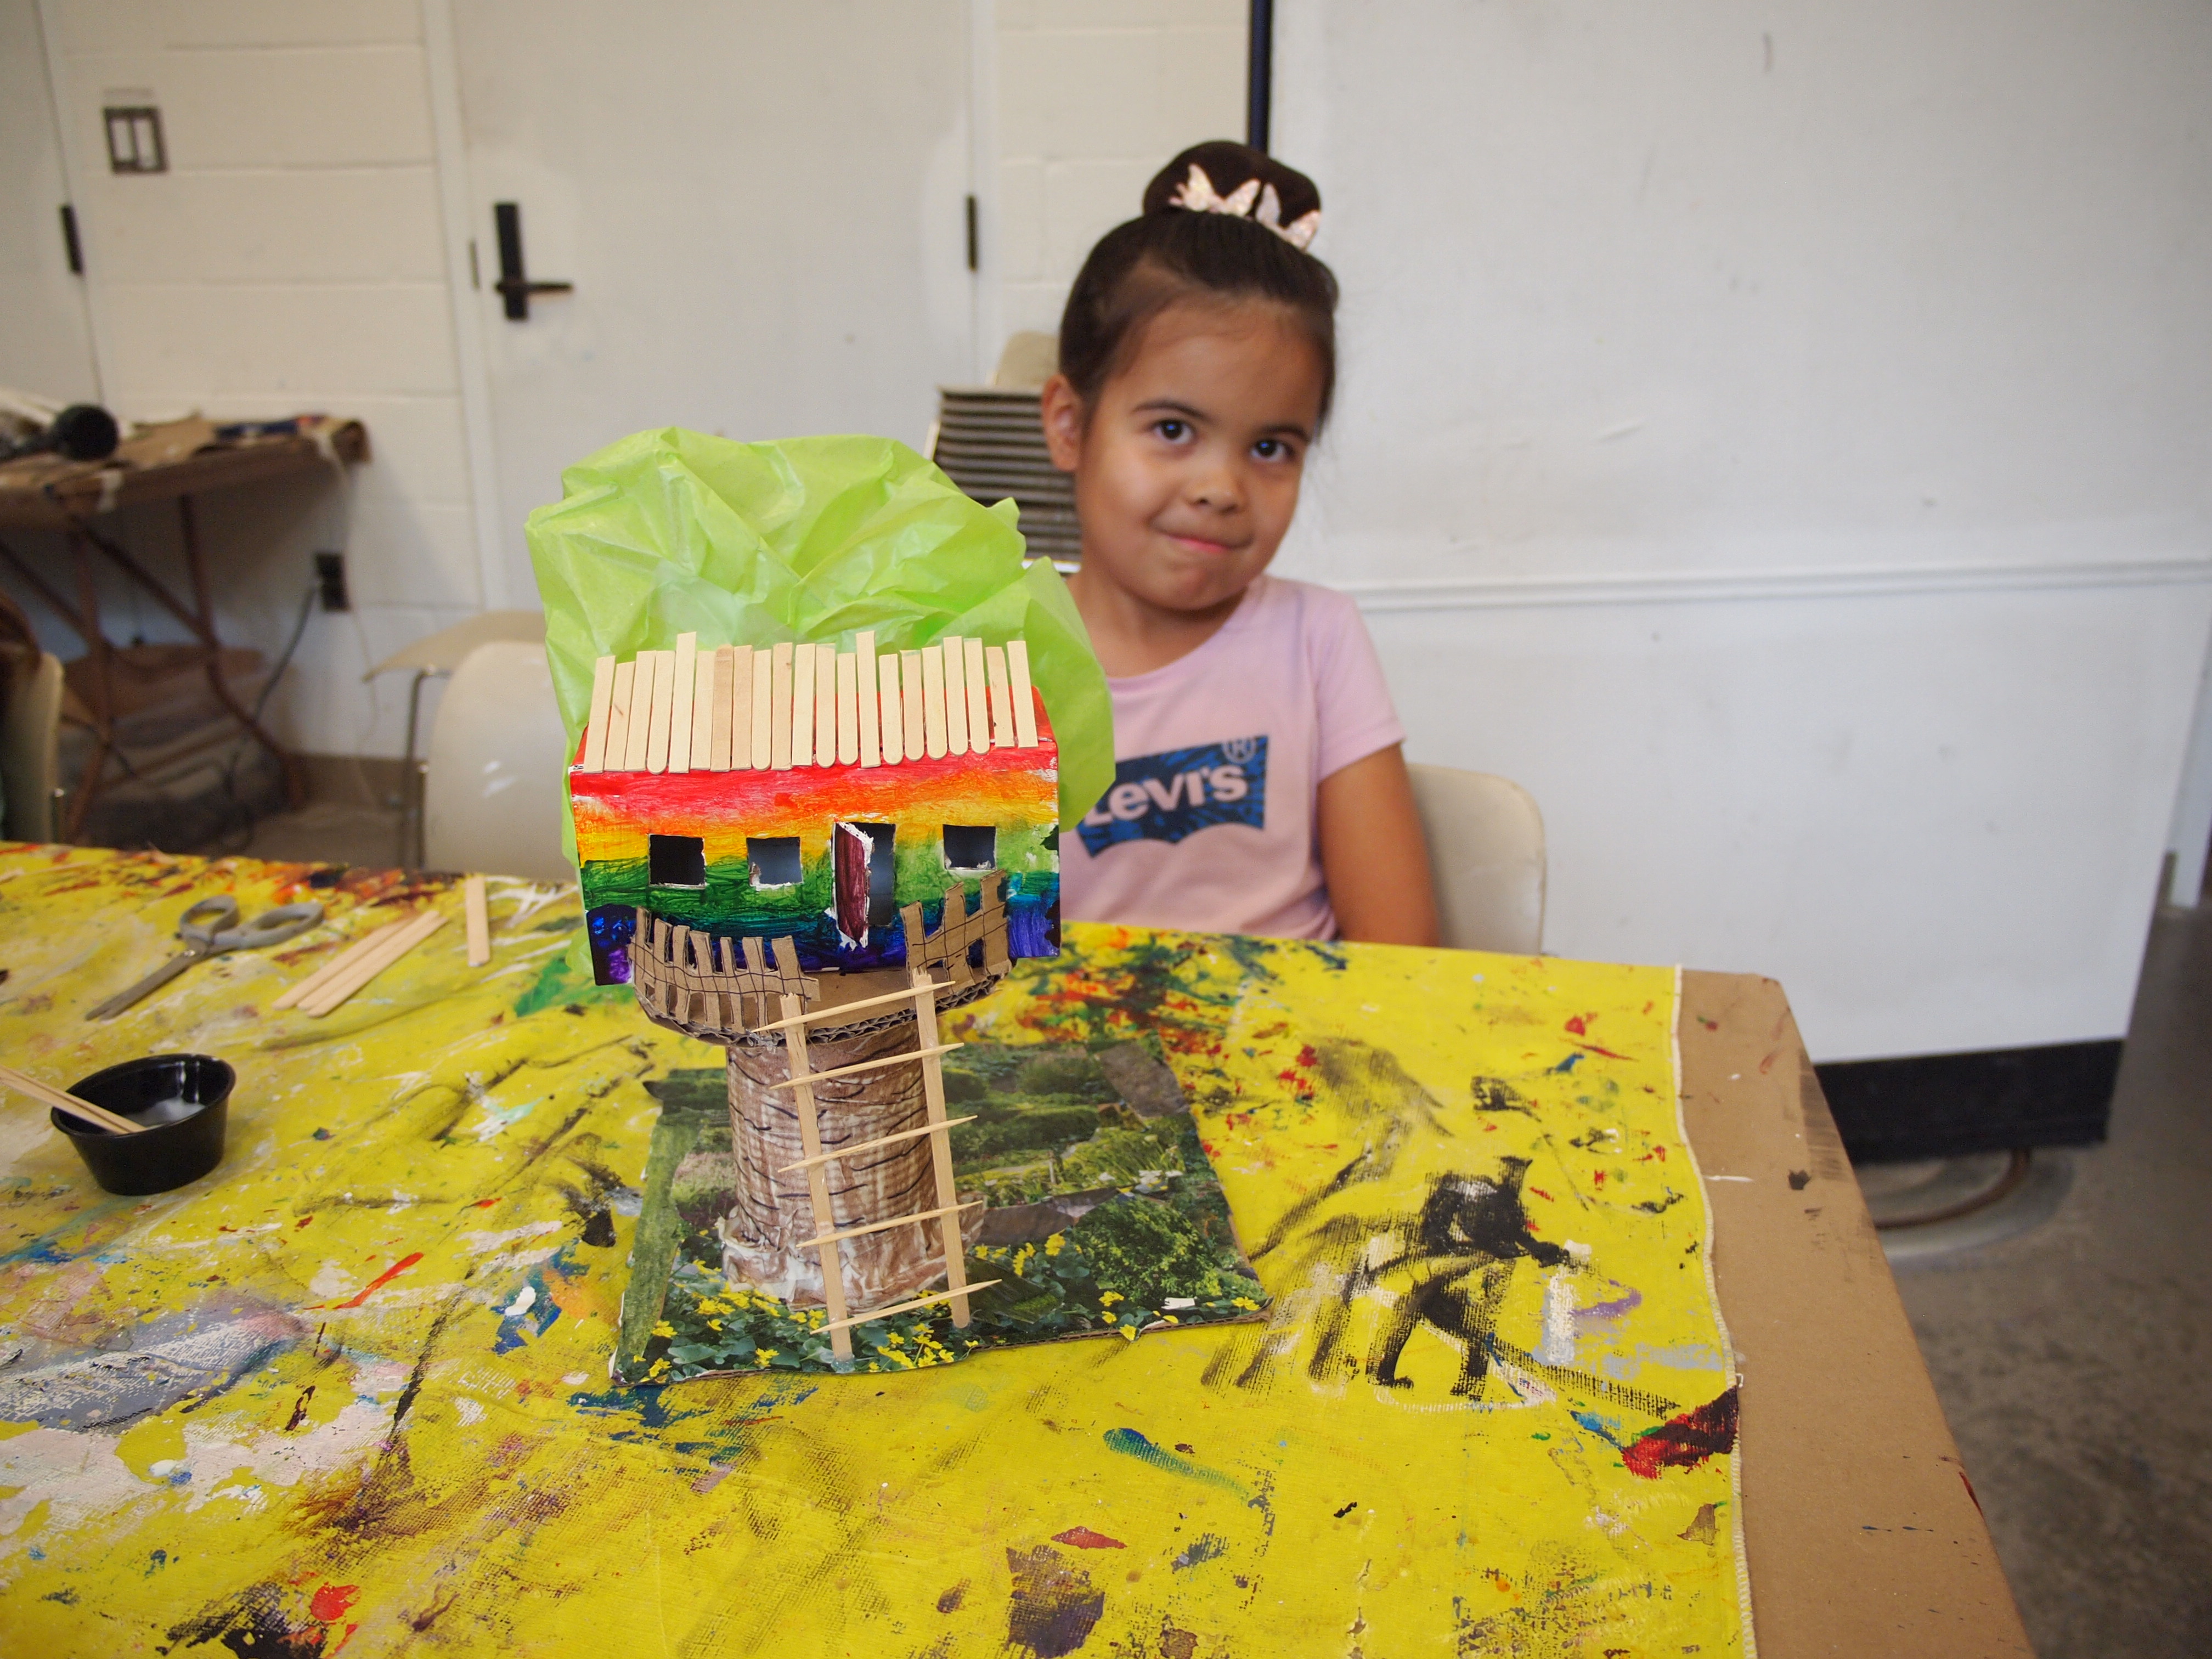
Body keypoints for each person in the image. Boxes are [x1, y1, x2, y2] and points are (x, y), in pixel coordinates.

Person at [1043, 140, 1439, 946]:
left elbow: (1401, 961)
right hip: (1060, 1061)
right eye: (1174, 429)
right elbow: (943, 965)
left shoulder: (1318, 640)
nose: (1221, 488)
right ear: (1070, 424)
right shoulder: (989, 655)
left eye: (1270, 449)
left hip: (1295, 1054)